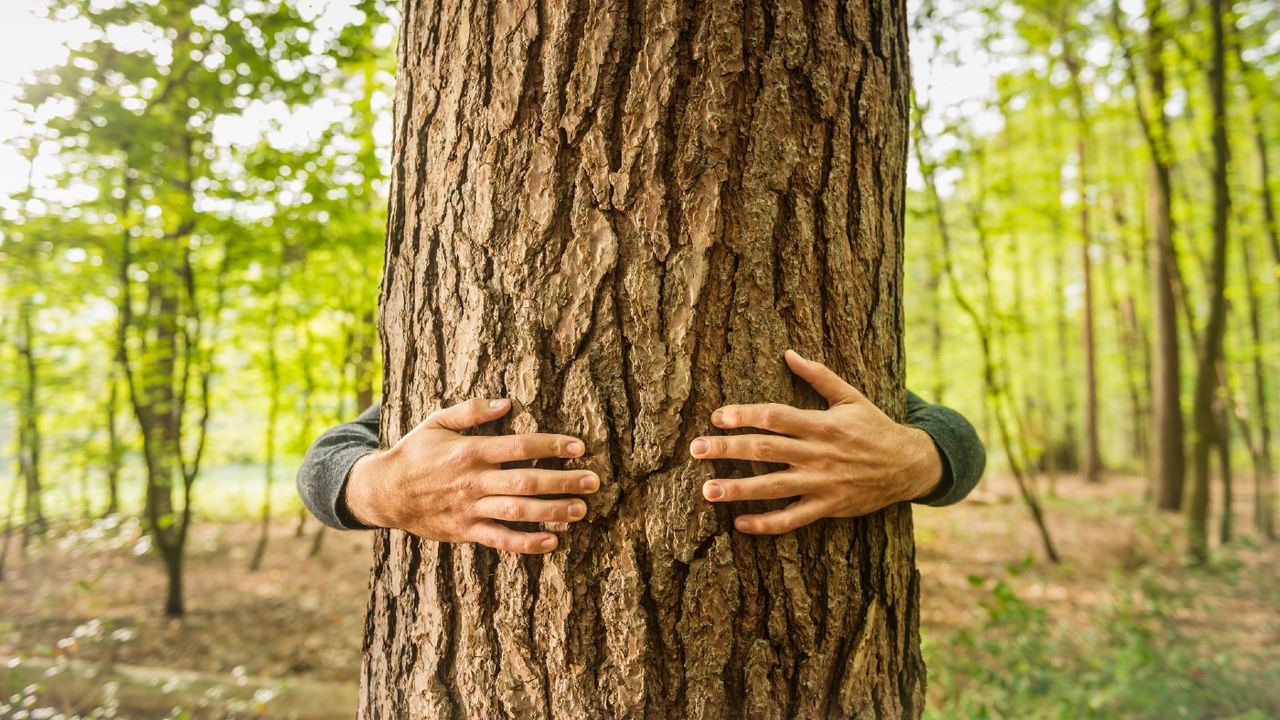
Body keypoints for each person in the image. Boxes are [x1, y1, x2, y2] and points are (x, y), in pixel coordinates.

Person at [297, 349, 984, 554]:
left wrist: (918, 460)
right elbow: (327, 460)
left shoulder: (840, 369)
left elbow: (953, 439)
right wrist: (376, 487)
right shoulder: (445, 368)